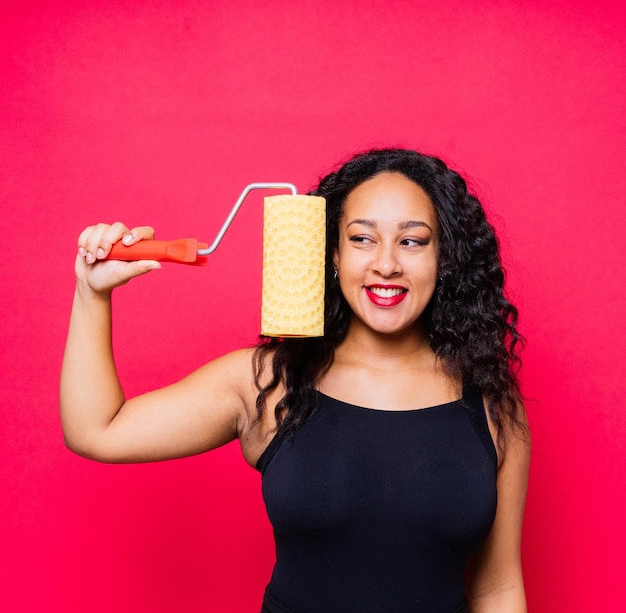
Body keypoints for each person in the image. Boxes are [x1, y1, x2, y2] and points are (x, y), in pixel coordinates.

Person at [61, 148, 530, 613]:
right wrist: (91, 292)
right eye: (362, 239)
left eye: (412, 241)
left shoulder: (490, 405)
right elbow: (97, 429)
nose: (386, 264)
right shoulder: (268, 382)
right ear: (331, 254)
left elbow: (498, 589)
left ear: (444, 260)